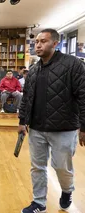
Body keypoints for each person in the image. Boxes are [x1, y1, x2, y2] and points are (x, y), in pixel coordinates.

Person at [19, 29, 85, 213]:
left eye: (43, 41)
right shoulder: (32, 71)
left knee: (61, 167)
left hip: (64, 128)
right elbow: (26, 98)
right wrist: (22, 121)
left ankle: (66, 190)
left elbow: (83, 96)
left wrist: (84, 127)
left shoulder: (73, 65)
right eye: (36, 41)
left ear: (55, 43)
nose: (38, 45)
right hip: (37, 129)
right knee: (37, 167)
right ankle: (39, 202)